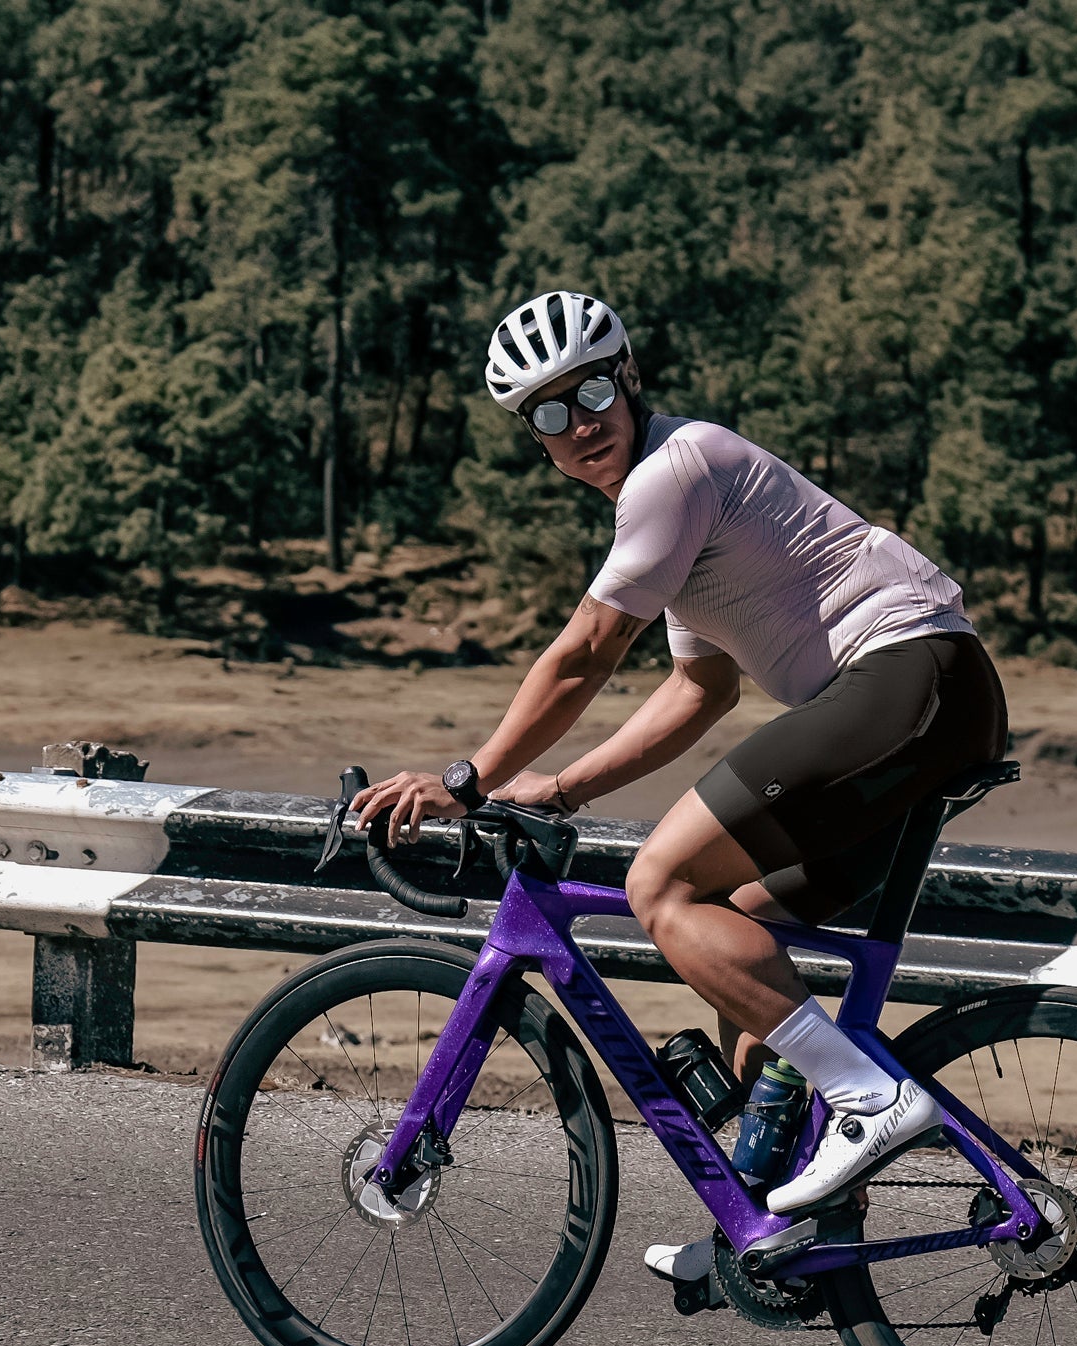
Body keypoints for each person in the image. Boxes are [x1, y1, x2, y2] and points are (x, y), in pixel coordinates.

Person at [353, 289, 1008, 1282]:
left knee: (661, 886)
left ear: (628, 378)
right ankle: (787, 1229)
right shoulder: (672, 505)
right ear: (533, 440)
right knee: (742, 935)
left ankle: (872, 1103)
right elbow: (699, 687)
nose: (576, 424)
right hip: (926, 696)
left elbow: (580, 657)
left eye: (587, 393)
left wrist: (466, 778)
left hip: (905, 676)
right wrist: (558, 787)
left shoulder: (675, 467)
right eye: (546, 412)